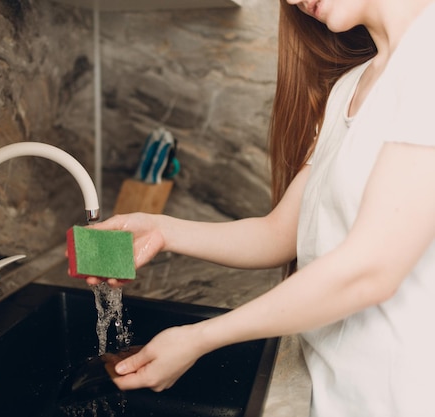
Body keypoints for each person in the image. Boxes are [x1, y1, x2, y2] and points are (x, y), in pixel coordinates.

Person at [83, 0, 435, 415]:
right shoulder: (349, 89)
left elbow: (370, 271)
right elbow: (279, 233)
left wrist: (199, 338)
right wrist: (160, 230)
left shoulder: (427, 56)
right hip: (334, 395)